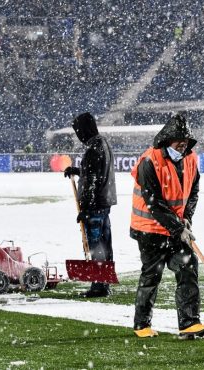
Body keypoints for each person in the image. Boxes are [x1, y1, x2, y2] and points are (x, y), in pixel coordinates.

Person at [130, 113, 204, 339]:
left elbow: (193, 191)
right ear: (167, 140)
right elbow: (153, 203)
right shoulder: (149, 161)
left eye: (186, 143)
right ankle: (142, 325)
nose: (183, 147)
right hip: (149, 229)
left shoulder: (190, 159)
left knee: (188, 269)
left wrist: (186, 218)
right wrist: (179, 229)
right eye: (179, 143)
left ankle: (189, 323)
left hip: (176, 228)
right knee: (151, 276)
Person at [63, 112, 117, 298]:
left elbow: (93, 181)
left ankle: (99, 286)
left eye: (79, 131)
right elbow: (95, 173)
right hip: (104, 204)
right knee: (105, 244)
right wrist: (78, 171)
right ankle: (104, 281)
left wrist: (86, 209)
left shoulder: (94, 149)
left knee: (96, 246)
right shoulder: (103, 144)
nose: (79, 136)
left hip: (95, 207)